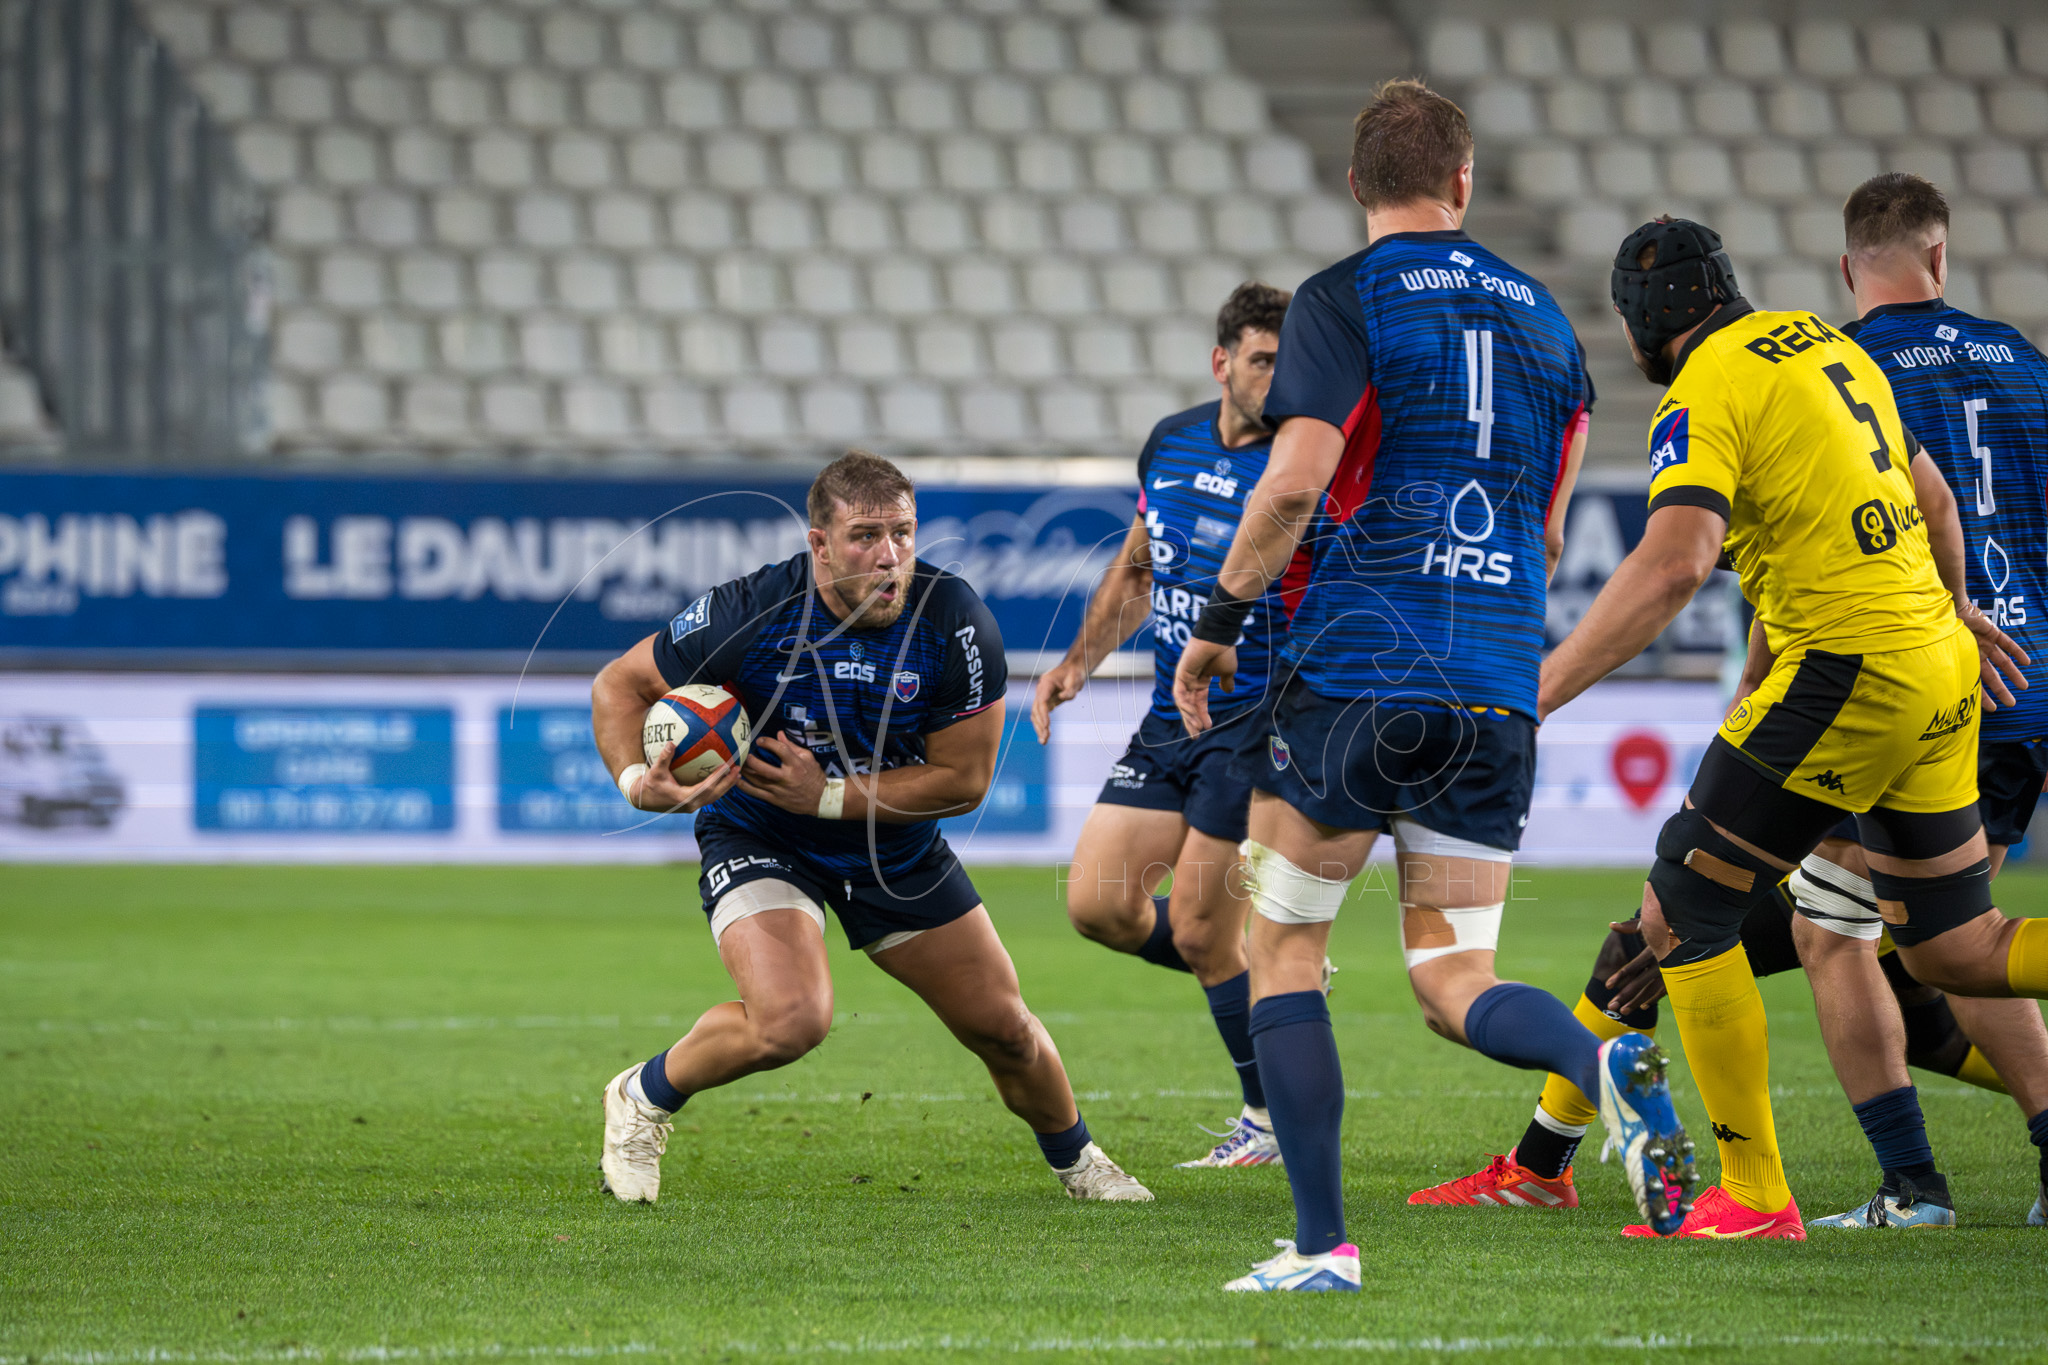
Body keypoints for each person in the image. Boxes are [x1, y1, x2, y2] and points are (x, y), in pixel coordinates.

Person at [1173, 80, 1687, 1292]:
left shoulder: (1341, 298)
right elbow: (1548, 533)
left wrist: (1218, 622)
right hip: (1494, 683)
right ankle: (1598, 1064)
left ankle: (1319, 1248)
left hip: (1355, 675)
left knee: (1281, 949)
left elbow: (1292, 483)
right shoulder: (1550, 325)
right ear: (1461, 182)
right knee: (1454, 977)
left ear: (1356, 183)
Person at [1536, 212, 2047, 1241]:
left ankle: (1755, 1193)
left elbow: (1674, 563)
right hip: (1937, 663)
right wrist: (1951, 609)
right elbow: (1937, 502)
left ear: (1641, 324)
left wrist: (1536, 694)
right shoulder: (1826, 346)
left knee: (1682, 902)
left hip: (1846, 669)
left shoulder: (1704, 386)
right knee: (1957, 948)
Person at [588, 451, 1152, 1207]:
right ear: (820, 545)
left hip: (893, 844)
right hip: (762, 835)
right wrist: (637, 782)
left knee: (1005, 1029)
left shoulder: (954, 620)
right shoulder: (751, 609)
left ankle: (1080, 1162)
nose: (890, 555)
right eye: (865, 536)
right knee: (791, 1020)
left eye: (903, 533)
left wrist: (824, 795)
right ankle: (642, 1096)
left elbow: (965, 779)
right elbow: (619, 685)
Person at [1032, 282, 1295, 1169]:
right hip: (1166, 719)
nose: (1276, 378)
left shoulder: (1305, 462)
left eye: (1288, 363)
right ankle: (1276, 981)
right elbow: (1138, 569)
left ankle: (1268, 1116)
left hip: (1252, 722)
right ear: (1222, 362)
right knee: (1098, 904)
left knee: (1199, 928)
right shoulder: (1171, 442)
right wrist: (1077, 663)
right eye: (1262, 360)